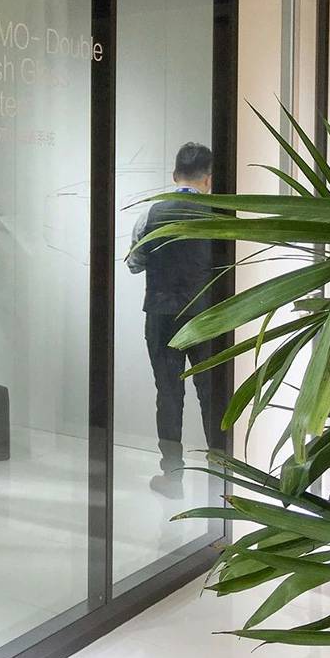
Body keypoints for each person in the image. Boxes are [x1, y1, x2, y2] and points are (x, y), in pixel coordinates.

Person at [128, 143, 220, 498]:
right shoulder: (218, 215)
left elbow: (134, 263)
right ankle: (220, 478)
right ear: (208, 179)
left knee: (168, 395)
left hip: (162, 316)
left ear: (174, 175)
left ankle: (172, 477)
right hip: (206, 317)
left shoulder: (151, 214)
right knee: (212, 393)